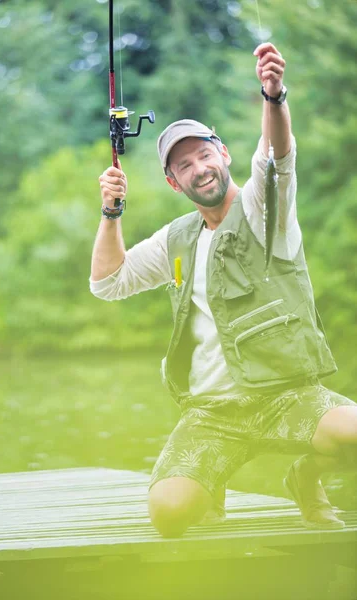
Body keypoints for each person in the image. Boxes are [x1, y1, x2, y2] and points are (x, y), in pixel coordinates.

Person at [90, 43, 357, 538]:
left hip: (286, 396)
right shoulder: (175, 239)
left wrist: (273, 96)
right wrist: (111, 214)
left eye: (204, 154)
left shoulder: (263, 207)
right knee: (169, 517)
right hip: (213, 413)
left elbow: (277, 155)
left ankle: (307, 475)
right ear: (174, 183)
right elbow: (108, 282)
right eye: (184, 165)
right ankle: (212, 479)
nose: (199, 168)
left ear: (224, 154)